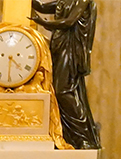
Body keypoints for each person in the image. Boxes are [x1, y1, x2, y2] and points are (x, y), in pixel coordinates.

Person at [32, 0, 100, 150]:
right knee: (56, 92)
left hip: (70, 49)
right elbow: (41, 7)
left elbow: (69, 22)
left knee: (63, 91)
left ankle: (83, 135)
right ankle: (66, 135)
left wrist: (44, 23)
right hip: (59, 46)